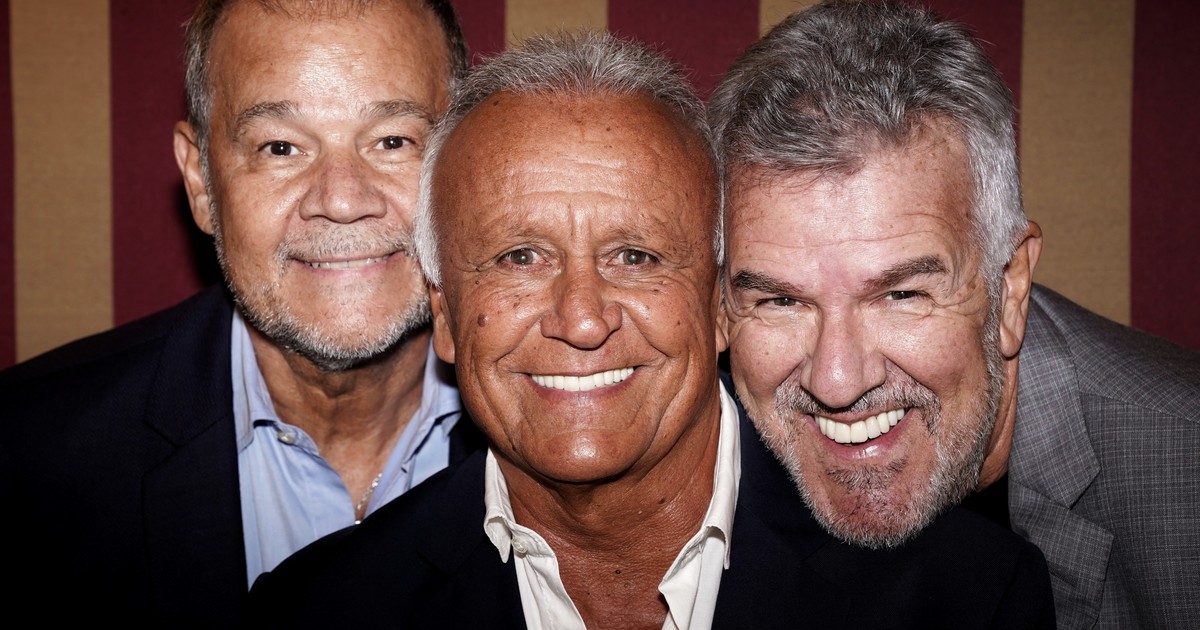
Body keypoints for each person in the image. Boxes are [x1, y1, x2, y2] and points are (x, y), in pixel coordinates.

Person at [245, 30, 1055, 629]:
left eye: (635, 256)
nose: (582, 318)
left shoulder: (964, 595)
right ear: (446, 315)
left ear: (719, 302)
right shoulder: (320, 610)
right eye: (520, 257)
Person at [710, 1, 1200, 628]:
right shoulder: (699, 466)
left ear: (1010, 290)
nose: (836, 382)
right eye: (781, 301)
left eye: (901, 295)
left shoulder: (1184, 477)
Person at [0, 0, 478, 624]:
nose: (341, 201)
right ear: (201, 181)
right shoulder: (23, 462)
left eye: (393, 141)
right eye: (281, 147)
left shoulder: (569, 436)